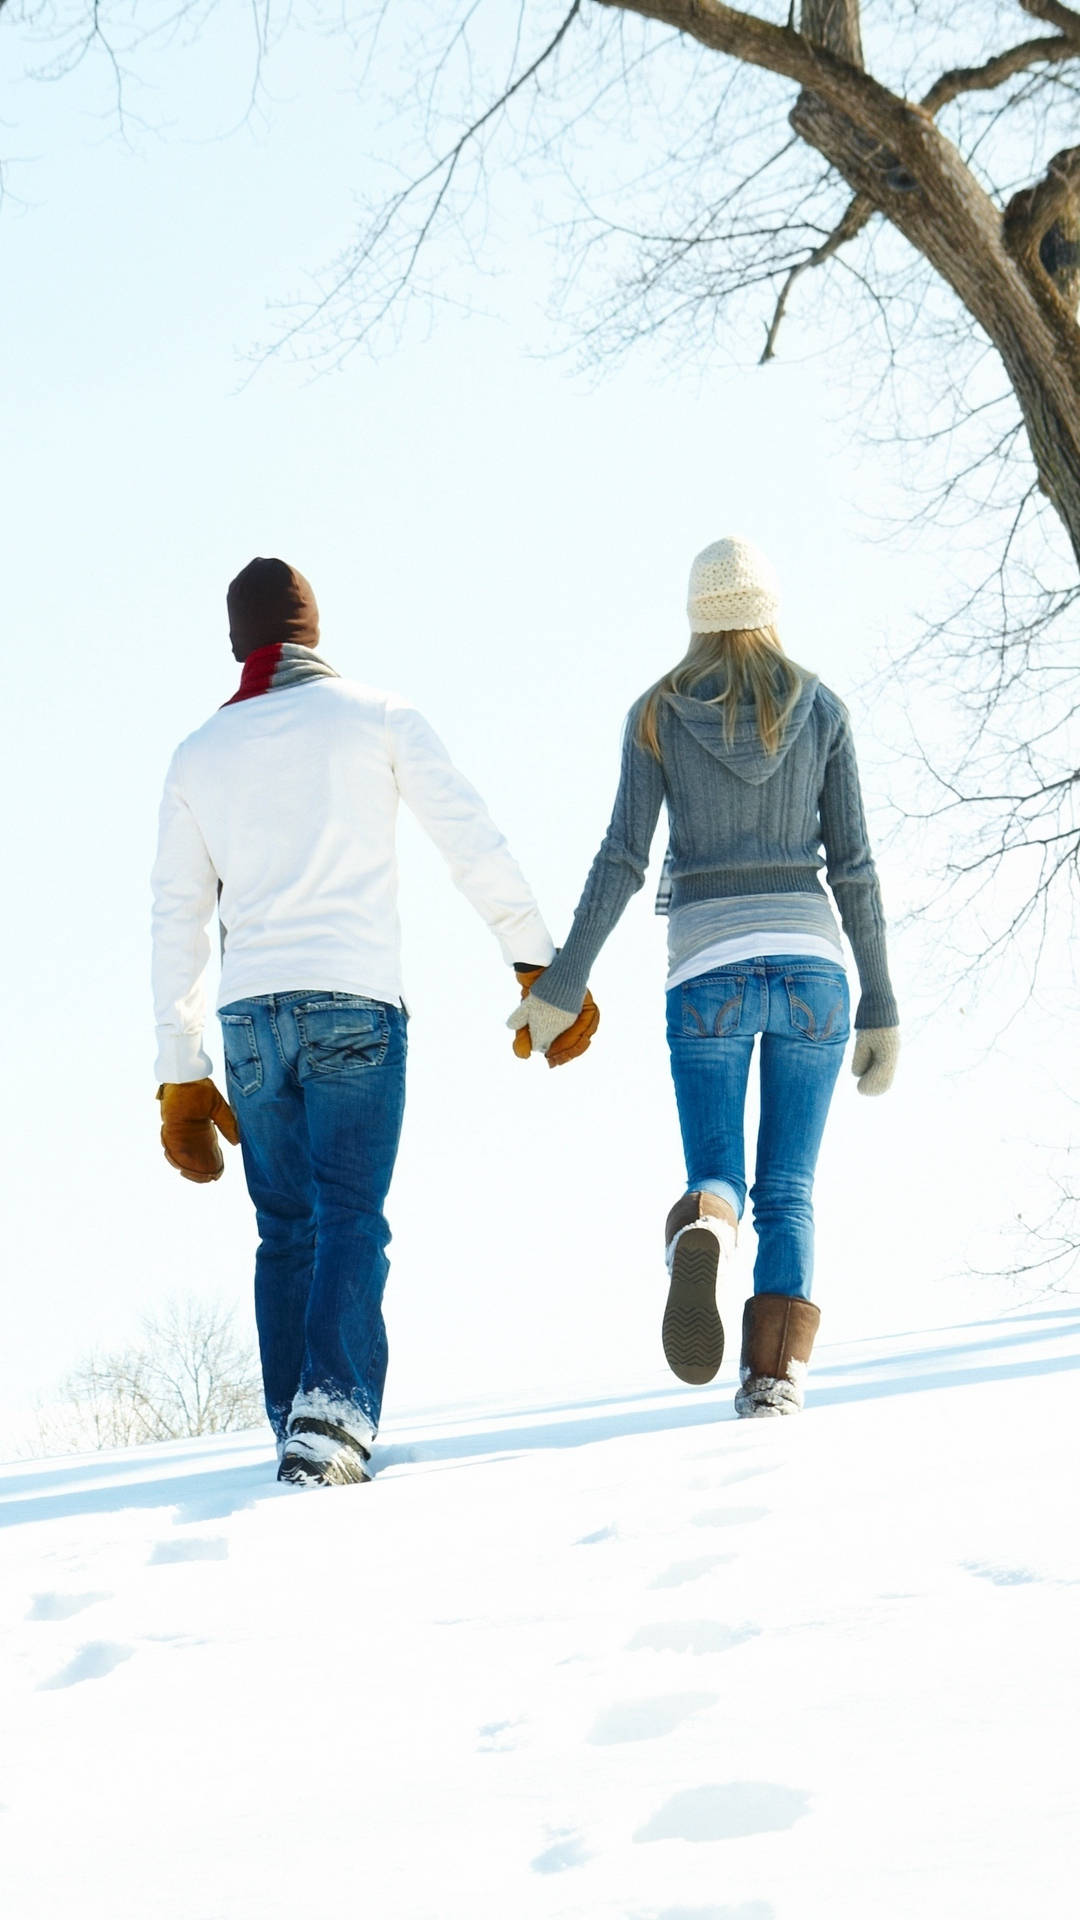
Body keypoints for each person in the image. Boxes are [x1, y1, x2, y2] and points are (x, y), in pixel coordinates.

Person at [151, 557, 596, 1487]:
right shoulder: (379, 715)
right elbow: (469, 836)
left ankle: (297, 1422)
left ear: (239, 643)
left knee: (285, 1228)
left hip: (250, 1018)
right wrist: (536, 961)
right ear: (313, 630)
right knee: (351, 1216)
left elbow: (176, 918)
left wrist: (180, 1071)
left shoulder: (198, 754)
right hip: (354, 1000)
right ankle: (331, 1416)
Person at [509, 536, 898, 1417]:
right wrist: (880, 1000)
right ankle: (773, 1378)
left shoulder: (656, 713)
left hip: (709, 969)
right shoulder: (823, 708)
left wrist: (562, 984)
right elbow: (858, 866)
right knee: (790, 1186)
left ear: (697, 617)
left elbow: (621, 859)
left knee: (719, 1171)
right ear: (769, 612)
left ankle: (707, 1228)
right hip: (813, 965)